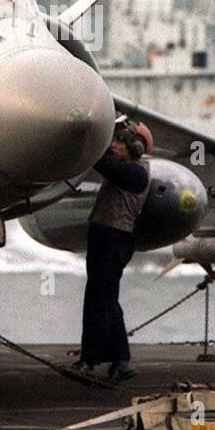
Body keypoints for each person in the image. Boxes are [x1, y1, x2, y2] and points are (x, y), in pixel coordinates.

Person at [74, 118, 153, 383]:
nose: (115, 146)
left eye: (119, 142)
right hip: (106, 236)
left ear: (136, 149)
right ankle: (121, 361)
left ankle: (89, 360)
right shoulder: (128, 168)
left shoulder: (136, 173)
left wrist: (89, 139)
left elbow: (102, 161)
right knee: (106, 297)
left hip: (113, 238)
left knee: (99, 299)